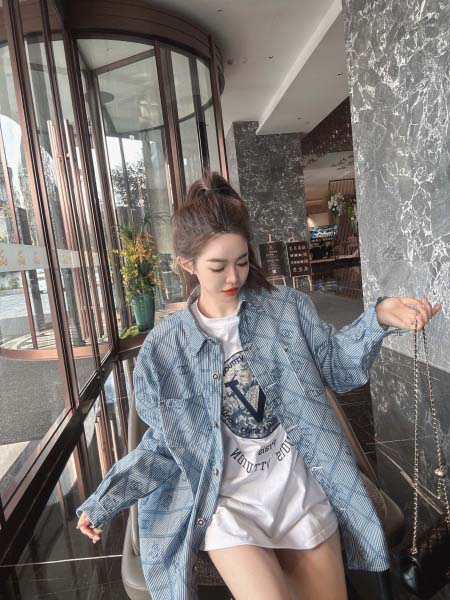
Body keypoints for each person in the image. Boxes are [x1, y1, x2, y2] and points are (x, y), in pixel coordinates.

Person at [76, 172, 441, 600]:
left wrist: (377, 319)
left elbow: (337, 367)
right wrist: (105, 500)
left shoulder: (286, 309)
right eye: (217, 266)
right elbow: (164, 445)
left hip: (297, 486)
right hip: (227, 502)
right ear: (188, 264)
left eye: (242, 261)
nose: (233, 276)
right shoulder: (165, 348)